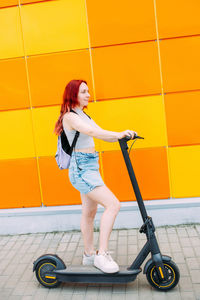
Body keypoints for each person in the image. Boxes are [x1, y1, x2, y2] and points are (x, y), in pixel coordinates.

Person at [54, 79, 136, 273]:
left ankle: (89, 255)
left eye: (88, 91)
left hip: (90, 166)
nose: (88, 95)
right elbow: (90, 131)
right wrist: (118, 133)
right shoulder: (70, 117)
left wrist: (122, 135)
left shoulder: (84, 115)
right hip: (81, 168)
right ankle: (102, 255)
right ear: (73, 94)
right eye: (83, 92)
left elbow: (100, 133)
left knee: (89, 213)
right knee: (113, 205)